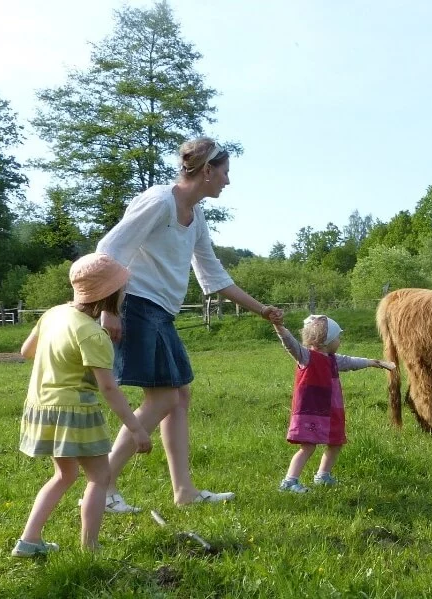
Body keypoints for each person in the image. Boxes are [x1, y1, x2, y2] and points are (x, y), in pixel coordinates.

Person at [95, 136, 282, 512]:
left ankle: (184, 491)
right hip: (136, 304)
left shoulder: (196, 215)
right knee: (163, 397)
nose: (228, 181)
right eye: (225, 173)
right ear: (207, 170)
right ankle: (103, 483)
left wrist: (261, 309)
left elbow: (212, 275)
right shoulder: (159, 201)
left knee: (179, 397)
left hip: (161, 312)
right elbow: (108, 249)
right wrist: (108, 308)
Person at [12, 254, 152, 557]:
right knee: (100, 478)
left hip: (42, 406)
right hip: (75, 413)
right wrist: (136, 427)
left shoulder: (54, 314)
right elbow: (108, 387)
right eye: (122, 288)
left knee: (64, 475)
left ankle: (29, 540)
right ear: (110, 294)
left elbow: (26, 351)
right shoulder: (92, 334)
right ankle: (90, 549)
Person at [274, 314, 394, 493]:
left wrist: (373, 363)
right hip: (311, 411)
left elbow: (351, 361)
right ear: (326, 340)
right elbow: (291, 345)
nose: (339, 341)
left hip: (331, 411)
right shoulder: (306, 357)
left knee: (336, 442)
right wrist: (280, 328)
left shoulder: (332, 359)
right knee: (308, 446)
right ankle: (290, 482)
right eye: (338, 337)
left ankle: (323, 476)